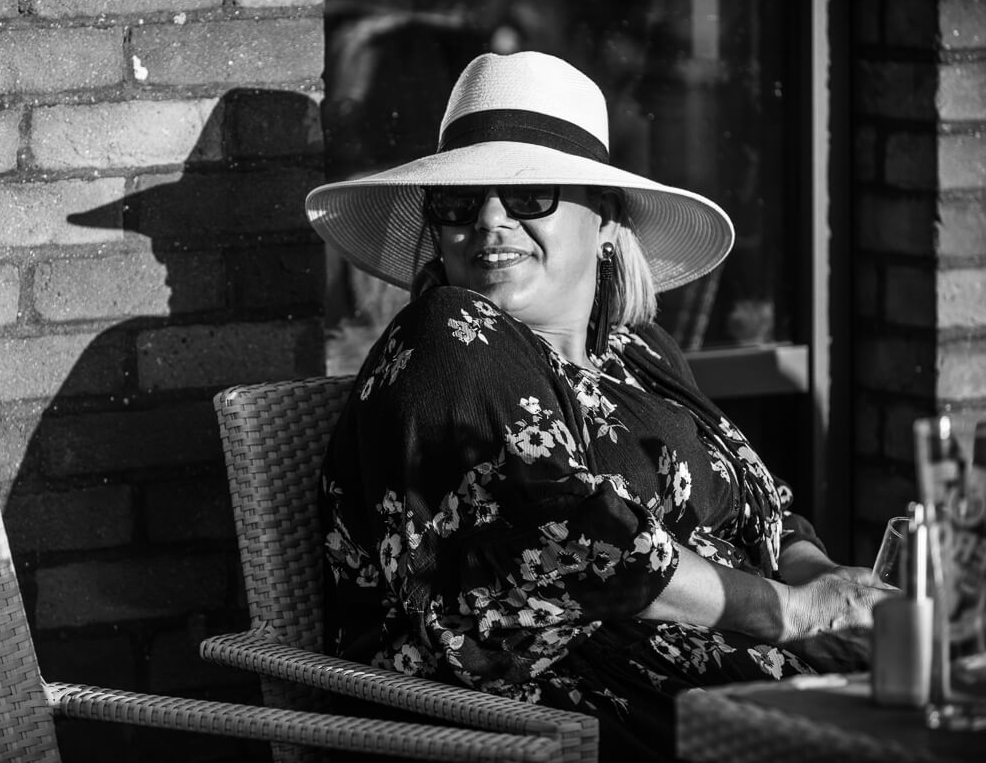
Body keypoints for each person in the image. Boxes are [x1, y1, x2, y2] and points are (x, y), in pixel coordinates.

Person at [304, 51, 889, 761]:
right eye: (459, 203)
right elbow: (575, 544)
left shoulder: (641, 353)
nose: (490, 222)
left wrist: (820, 583)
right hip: (548, 722)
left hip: (731, 684)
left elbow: (762, 509)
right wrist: (787, 612)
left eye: (529, 196)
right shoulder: (448, 335)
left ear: (606, 217)